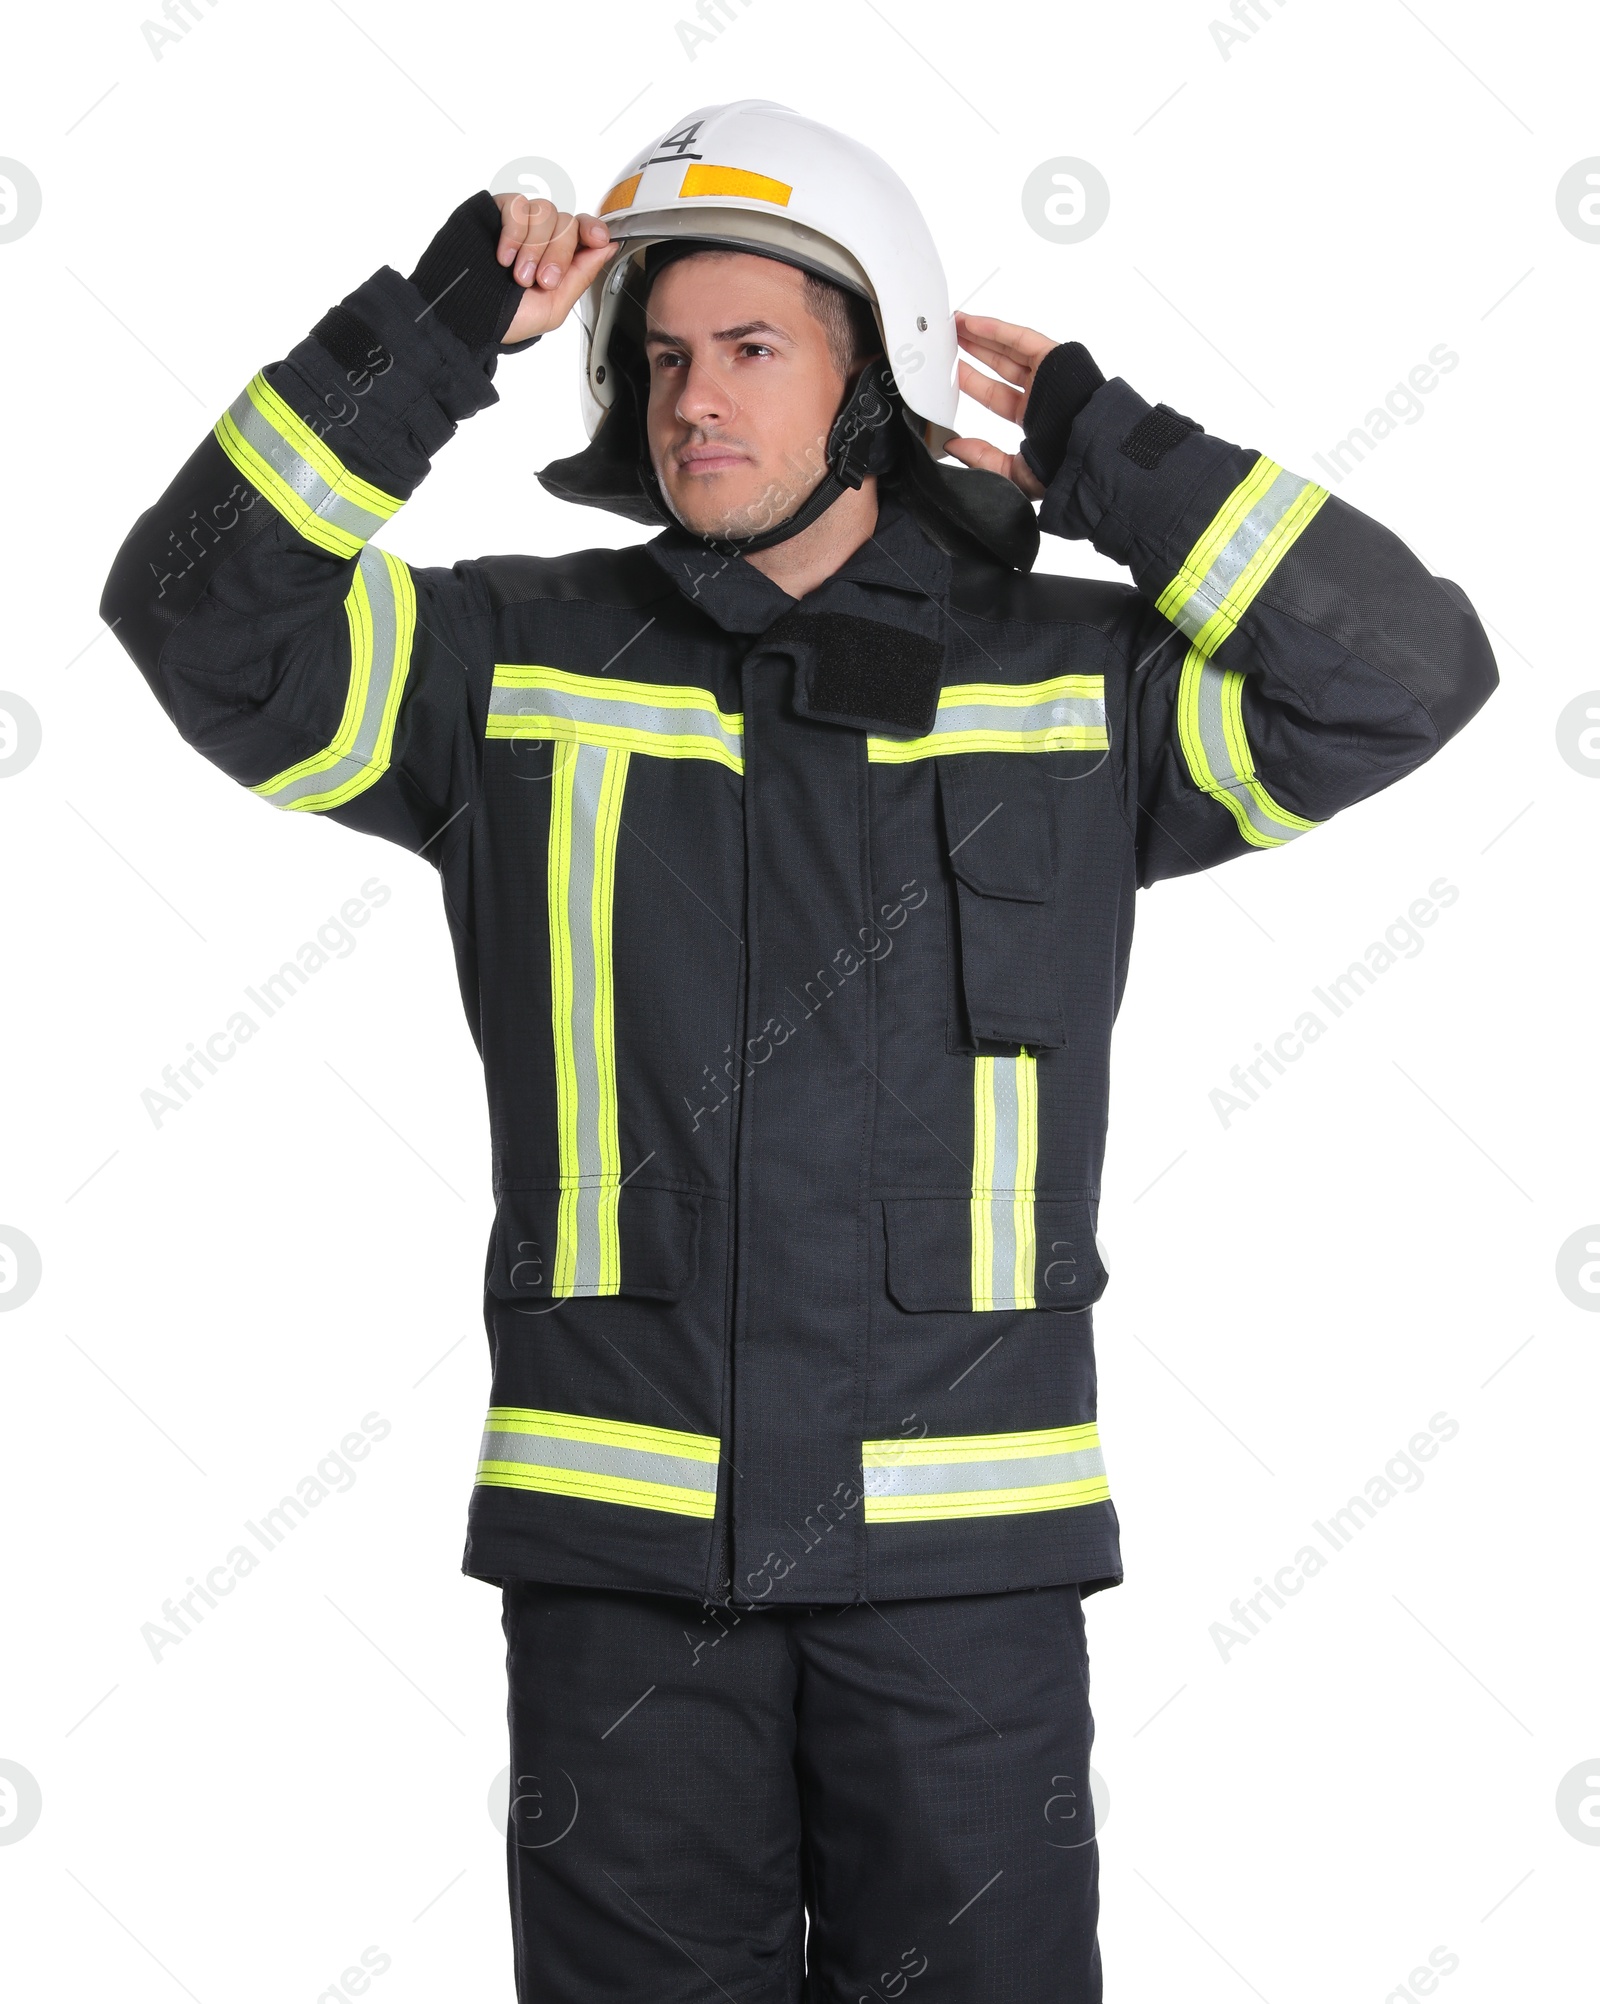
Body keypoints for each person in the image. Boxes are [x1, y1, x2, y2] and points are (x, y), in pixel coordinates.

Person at [101, 98, 1497, 2004]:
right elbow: (197, 623)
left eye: (753, 348)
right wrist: (424, 348)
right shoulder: (510, 667)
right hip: (624, 1590)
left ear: (880, 382)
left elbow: (1407, 673)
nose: (694, 401)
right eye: (665, 357)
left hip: (964, 1603)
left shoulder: (1072, 688)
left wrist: (1117, 463)